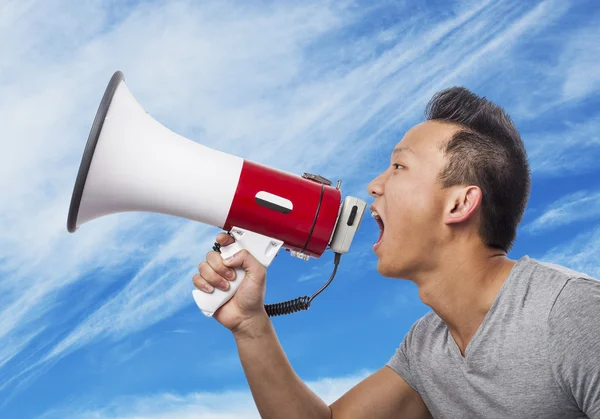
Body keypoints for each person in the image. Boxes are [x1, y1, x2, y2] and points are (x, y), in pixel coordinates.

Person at [192, 87, 600, 418]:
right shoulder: (428, 349)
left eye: (399, 167)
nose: (374, 184)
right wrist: (251, 326)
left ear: (459, 204)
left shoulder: (572, 315)